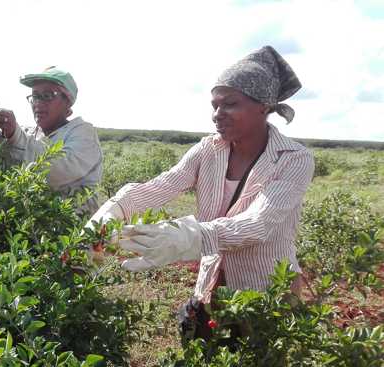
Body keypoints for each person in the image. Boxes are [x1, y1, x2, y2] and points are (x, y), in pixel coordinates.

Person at [86, 46, 314, 339]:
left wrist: (191, 236)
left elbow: (259, 224)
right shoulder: (209, 149)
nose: (218, 115)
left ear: (263, 105)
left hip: (267, 291)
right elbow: (163, 185)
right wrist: (114, 210)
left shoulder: (293, 158)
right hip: (212, 286)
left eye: (230, 104)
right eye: (215, 106)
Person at [0, 67, 103, 212]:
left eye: (48, 95)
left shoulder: (83, 133)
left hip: (71, 234)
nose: (38, 103)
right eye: (35, 96)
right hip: (27, 232)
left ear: (67, 102)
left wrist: (15, 136)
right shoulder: (31, 135)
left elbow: (55, 171)